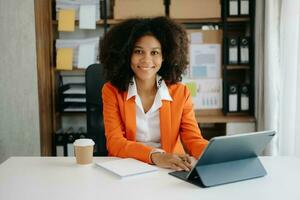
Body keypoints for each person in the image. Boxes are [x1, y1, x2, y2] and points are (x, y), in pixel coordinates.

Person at [100, 16, 208, 171]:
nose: (146, 59)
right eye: (138, 51)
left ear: (165, 57)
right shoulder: (111, 91)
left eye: (155, 52)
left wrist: (212, 154)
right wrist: (156, 156)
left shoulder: (180, 92)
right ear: (126, 54)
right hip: (127, 168)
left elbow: (193, 139)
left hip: (170, 168)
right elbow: (115, 142)